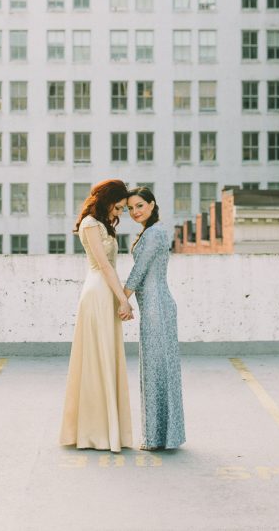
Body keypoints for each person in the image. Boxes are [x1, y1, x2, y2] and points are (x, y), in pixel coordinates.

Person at [59, 179, 135, 452]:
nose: (120, 213)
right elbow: (104, 265)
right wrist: (123, 300)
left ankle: (105, 429)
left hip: (106, 292)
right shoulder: (91, 224)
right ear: (107, 201)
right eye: (119, 207)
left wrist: (120, 298)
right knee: (96, 358)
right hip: (98, 293)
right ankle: (95, 432)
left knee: (106, 356)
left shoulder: (102, 224)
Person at [123, 186, 185, 450]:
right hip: (153, 306)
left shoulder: (156, 232)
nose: (135, 212)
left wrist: (120, 298)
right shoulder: (150, 232)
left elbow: (139, 271)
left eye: (139, 206)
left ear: (152, 204)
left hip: (157, 307)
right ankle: (161, 436)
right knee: (155, 370)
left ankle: (158, 437)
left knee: (157, 371)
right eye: (130, 209)